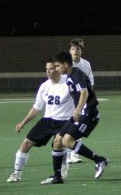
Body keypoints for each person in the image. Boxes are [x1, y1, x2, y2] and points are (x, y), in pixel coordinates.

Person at [40, 51, 109, 184]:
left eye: (58, 66)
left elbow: (84, 92)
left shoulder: (76, 74)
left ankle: (100, 160)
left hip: (88, 114)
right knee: (57, 140)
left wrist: (77, 110)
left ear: (66, 65)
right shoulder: (70, 75)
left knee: (67, 140)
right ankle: (57, 176)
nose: (57, 69)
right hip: (79, 114)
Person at [7, 59, 74, 182]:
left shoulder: (68, 82)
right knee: (26, 143)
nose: (48, 71)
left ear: (58, 68)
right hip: (47, 120)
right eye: (46, 69)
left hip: (64, 121)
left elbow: (80, 97)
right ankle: (16, 174)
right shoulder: (44, 86)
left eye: (51, 68)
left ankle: (63, 167)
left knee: (58, 145)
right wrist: (23, 122)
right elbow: (37, 107)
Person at [67, 38, 95, 164]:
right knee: (69, 126)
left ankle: (72, 154)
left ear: (81, 51)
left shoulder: (86, 64)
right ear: (70, 51)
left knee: (78, 124)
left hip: (81, 99)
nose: (75, 51)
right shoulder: (66, 64)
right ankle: (67, 153)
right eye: (73, 49)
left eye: (77, 49)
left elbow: (90, 80)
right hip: (68, 99)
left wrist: (89, 96)